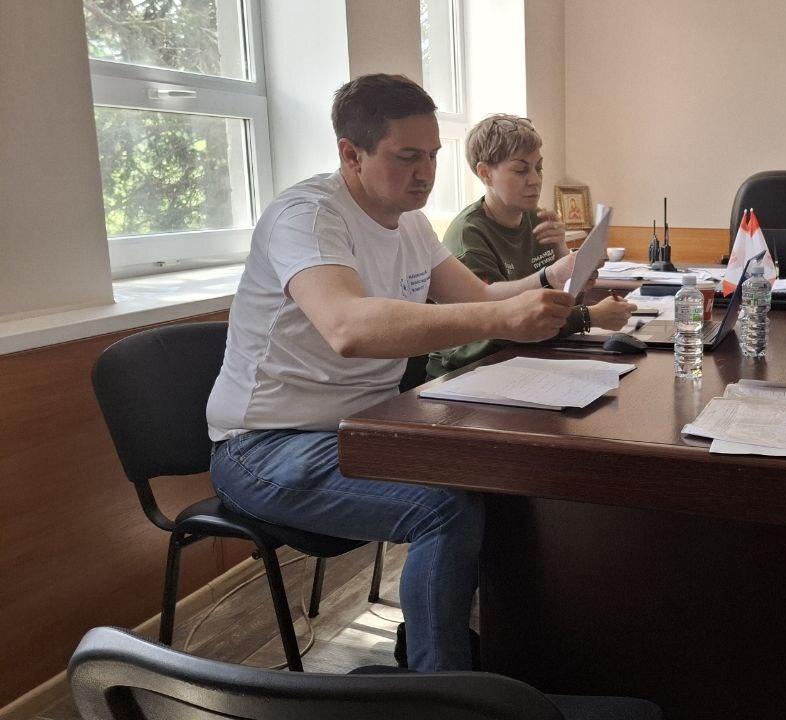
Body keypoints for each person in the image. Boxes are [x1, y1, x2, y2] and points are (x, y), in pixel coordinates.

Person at [206, 75, 581, 673]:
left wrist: (548, 281)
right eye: (407, 157)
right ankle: (441, 688)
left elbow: (478, 297)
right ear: (350, 153)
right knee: (444, 508)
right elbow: (347, 326)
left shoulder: (410, 222)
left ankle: (506, 651)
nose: (426, 173)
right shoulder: (306, 216)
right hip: (265, 445)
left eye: (432, 155)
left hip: (363, 432)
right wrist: (502, 317)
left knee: (501, 474)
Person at [426, 114, 634, 376]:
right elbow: (497, 324)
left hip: (527, 357)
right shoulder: (469, 236)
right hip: (470, 369)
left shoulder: (537, 219)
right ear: (485, 173)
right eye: (520, 170)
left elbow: (562, 303)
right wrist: (590, 316)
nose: (535, 180)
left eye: (539, 167)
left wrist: (564, 253)